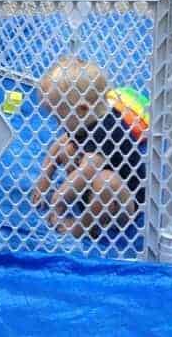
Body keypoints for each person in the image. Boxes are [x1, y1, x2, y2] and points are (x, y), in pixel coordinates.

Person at [31, 56, 146, 239]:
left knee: (106, 180)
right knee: (67, 146)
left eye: (59, 117)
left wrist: (58, 198)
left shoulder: (109, 129)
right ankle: (85, 204)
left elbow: (87, 171)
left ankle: (85, 227)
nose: (58, 124)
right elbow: (59, 144)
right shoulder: (83, 120)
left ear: (82, 109)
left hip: (122, 205)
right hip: (92, 191)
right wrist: (45, 178)